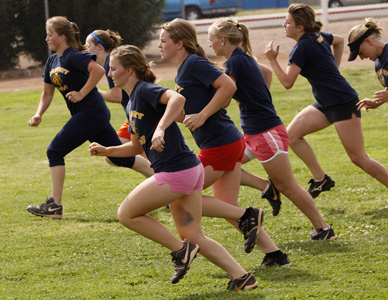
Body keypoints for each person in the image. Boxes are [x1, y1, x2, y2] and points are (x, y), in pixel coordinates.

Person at [89, 44, 258, 290]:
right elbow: (137, 147)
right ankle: (242, 277)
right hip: (187, 170)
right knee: (193, 234)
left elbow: (178, 99)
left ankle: (181, 251)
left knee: (126, 214)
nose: (109, 73)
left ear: (129, 70)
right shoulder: (130, 101)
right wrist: (107, 150)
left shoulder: (145, 89)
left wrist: (160, 128)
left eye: (113, 69)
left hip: (178, 171)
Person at [159, 18, 291, 265]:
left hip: (221, 145)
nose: (159, 46)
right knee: (226, 206)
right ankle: (275, 255)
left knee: (182, 194)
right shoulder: (185, 68)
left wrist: (203, 114)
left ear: (179, 44)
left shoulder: (193, 64)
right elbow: (192, 113)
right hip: (226, 141)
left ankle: (249, 215)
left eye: (163, 41)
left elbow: (228, 86)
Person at [208, 17, 337, 241]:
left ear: (222, 40)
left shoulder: (233, 63)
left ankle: (323, 229)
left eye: (211, 40)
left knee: (287, 185)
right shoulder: (242, 58)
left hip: (265, 132)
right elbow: (266, 72)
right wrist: (257, 99)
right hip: (253, 132)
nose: (210, 45)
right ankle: (267, 187)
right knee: (227, 167)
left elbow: (225, 99)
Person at [264, 4, 388, 206]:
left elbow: (287, 82)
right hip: (325, 102)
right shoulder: (319, 37)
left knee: (358, 158)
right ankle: (321, 178)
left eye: (288, 22)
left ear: (300, 27)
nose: (284, 25)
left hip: (343, 102)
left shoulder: (301, 47)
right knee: (291, 136)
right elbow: (338, 40)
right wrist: (334, 68)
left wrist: (272, 60)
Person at [26, 16, 146, 219]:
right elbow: (47, 93)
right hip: (91, 115)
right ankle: (165, 181)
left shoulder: (73, 56)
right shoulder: (52, 61)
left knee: (54, 151)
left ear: (62, 37)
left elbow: (98, 70)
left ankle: (55, 206)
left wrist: (81, 93)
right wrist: (39, 114)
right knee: (120, 157)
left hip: (91, 112)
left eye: (50, 34)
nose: (46, 38)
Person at [85, 29, 153, 176]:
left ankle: (160, 178)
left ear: (99, 47)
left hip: (140, 117)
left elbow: (116, 96)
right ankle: (157, 177)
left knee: (121, 153)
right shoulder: (110, 63)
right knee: (114, 155)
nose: (86, 49)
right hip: (134, 117)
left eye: (87, 45)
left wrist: (93, 91)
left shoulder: (111, 63)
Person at [348, 17, 388, 208]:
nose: (361, 57)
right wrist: (378, 101)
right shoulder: (379, 63)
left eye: (360, 52)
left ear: (368, 41)